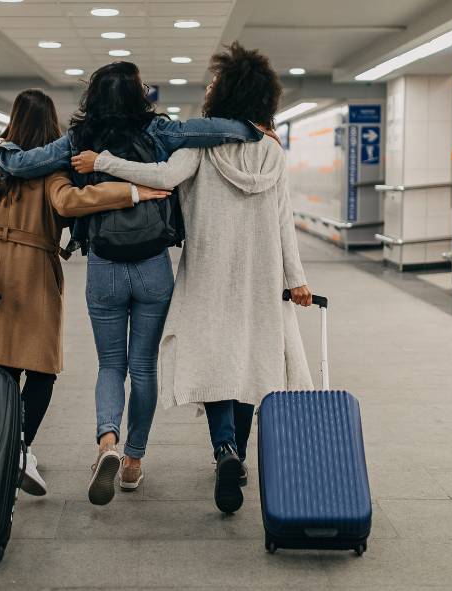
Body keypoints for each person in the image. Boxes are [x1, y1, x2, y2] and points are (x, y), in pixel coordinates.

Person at [0, 62, 271, 506]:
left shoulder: (81, 139)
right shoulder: (160, 131)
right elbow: (212, 129)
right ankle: (135, 461)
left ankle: (108, 443)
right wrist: (250, 129)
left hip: (104, 263)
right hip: (152, 265)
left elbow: (27, 164)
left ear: (93, 96)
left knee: (110, 366)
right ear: (140, 93)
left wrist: (1, 151)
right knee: (143, 368)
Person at [71, 43, 314, 514]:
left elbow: (159, 175)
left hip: (208, 271)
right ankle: (235, 454)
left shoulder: (199, 149)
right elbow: (285, 220)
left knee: (215, 362)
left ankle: (221, 448)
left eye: (214, 84)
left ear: (227, 94)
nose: (207, 88)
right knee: (248, 363)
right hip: (260, 277)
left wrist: (102, 161)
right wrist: (296, 278)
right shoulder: (273, 153)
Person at [0, 89, 171, 497]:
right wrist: (132, 191)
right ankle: (20, 448)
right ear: (50, 126)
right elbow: (72, 201)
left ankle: (3, 448)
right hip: (36, 272)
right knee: (42, 372)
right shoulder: (52, 168)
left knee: (3, 367)